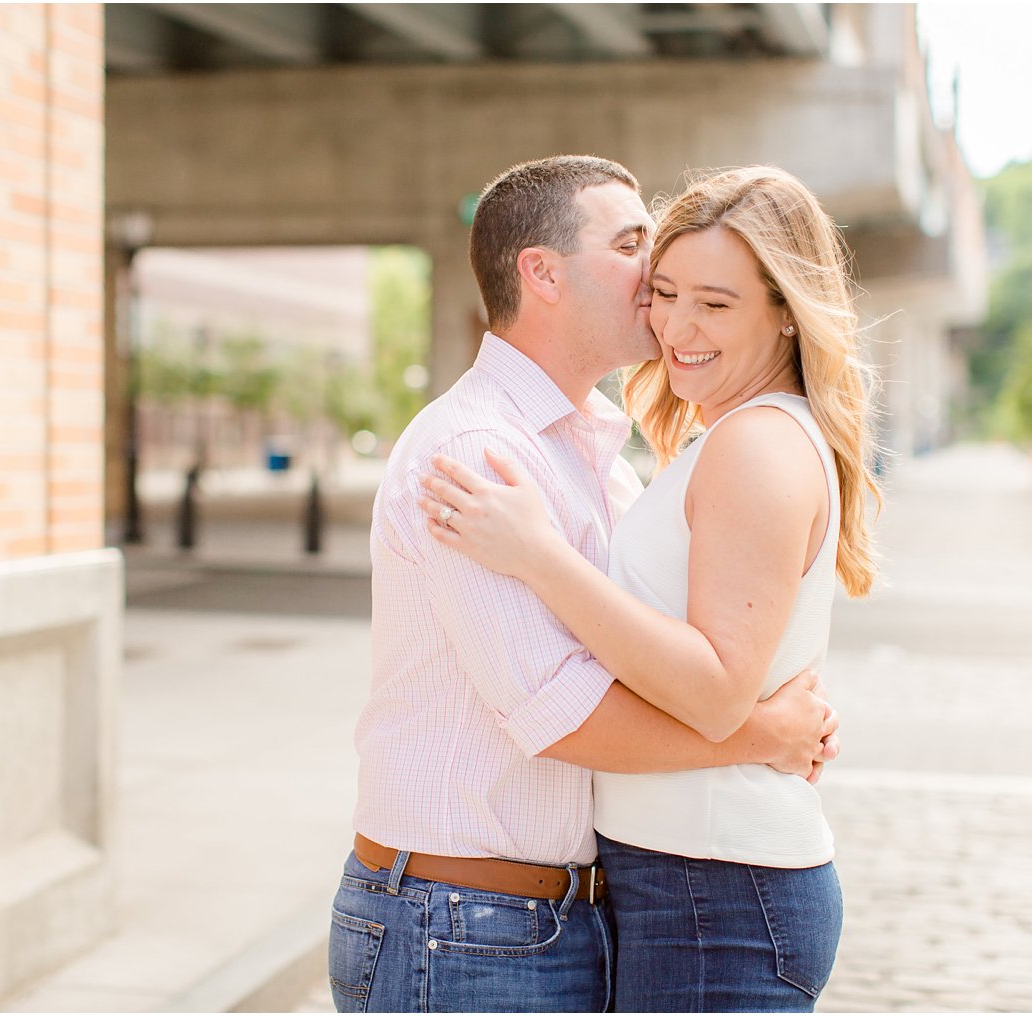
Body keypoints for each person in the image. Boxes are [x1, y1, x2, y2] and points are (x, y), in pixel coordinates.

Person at [329, 156, 840, 1014]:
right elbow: (560, 711)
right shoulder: (473, 456)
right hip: (461, 924)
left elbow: (683, 651)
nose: (658, 280)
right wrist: (761, 735)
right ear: (543, 273)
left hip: (565, 916)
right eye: (633, 245)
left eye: (710, 297)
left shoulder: (602, 461)